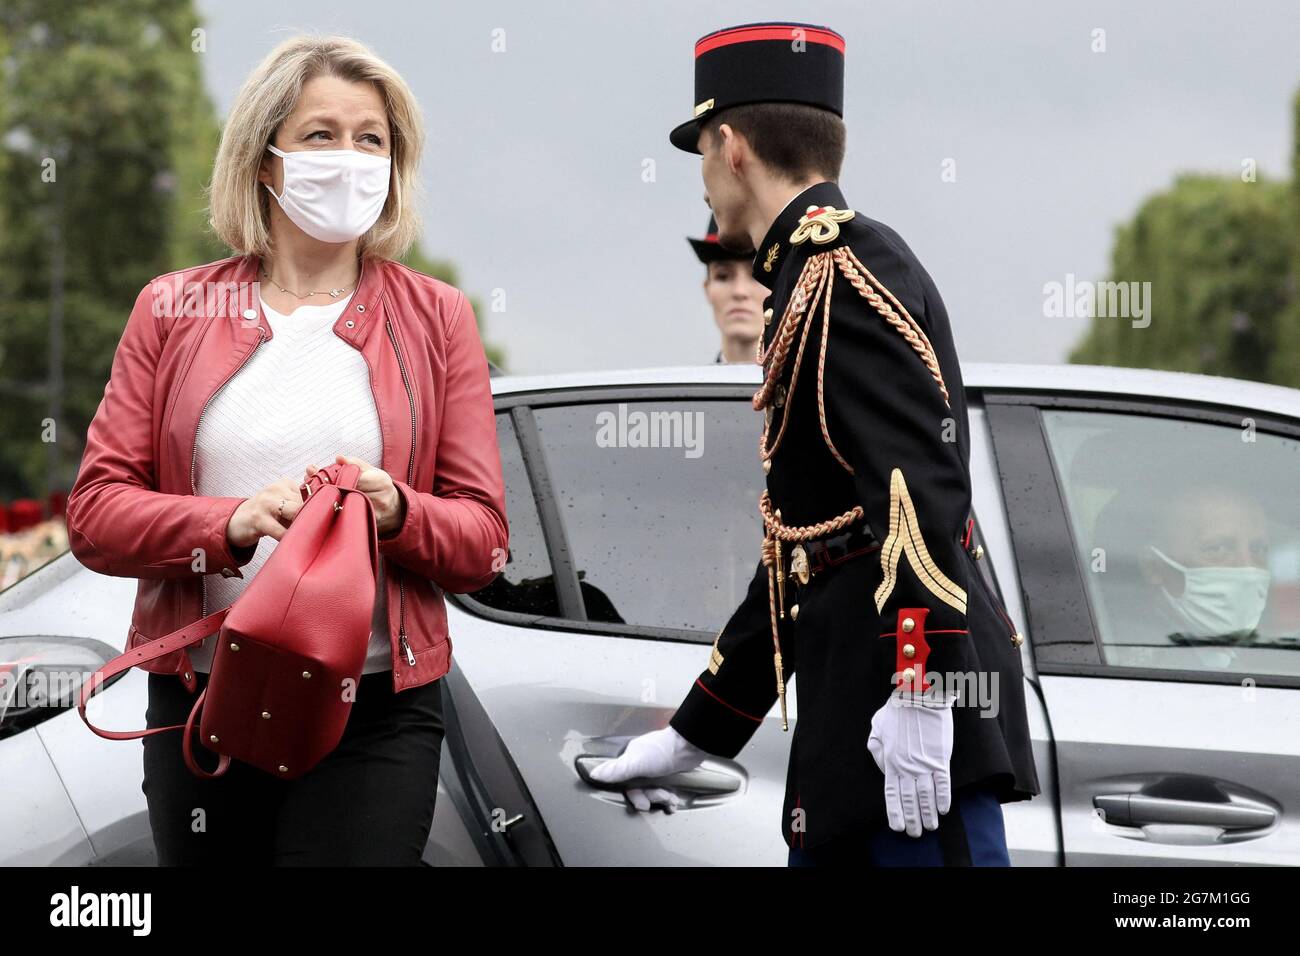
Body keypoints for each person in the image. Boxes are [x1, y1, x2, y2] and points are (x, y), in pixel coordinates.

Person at [591, 21, 1039, 866]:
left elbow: (919, 493)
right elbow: (810, 551)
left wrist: (921, 686)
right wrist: (696, 733)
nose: (703, 184)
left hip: (898, 734)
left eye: (700, 152)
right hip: (854, 724)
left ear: (730, 147)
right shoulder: (806, 276)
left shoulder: (847, 270)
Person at [64, 35, 508, 865]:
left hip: (375, 706)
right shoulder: (172, 308)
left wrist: (398, 509)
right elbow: (93, 515)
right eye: (320, 135)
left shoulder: (437, 316)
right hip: (205, 701)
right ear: (265, 162)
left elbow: (483, 539)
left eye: (370, 139)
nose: (349, 159)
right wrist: (231, 521)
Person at [687, 214, 764, 363]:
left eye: (757, 276)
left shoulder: (815, 384)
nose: (739, 291)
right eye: (722, 276)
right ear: (707, 289)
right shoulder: (687, 385)